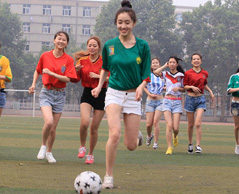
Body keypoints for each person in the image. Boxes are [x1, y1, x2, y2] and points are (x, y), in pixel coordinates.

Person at [91, 0, 151, 189]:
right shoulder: (109, 45)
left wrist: (141, 87)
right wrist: (100, 86)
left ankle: (136, 135)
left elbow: (146, 74)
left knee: (131, 145)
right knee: (114, 134)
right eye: (120, 22)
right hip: (114, 94)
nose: (123, 26)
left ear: (133, 23)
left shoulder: (142, 46)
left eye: (127, 22)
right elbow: (104, 68)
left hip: (134, 96)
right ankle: (108, 176)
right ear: (116, 23)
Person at [29, 31, 77, 163]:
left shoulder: (68, 60)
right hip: (46, 93)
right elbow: (37, 70)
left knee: (53, 128)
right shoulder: (45, 56)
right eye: (59, 39)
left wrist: (51, 73)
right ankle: (43, 146)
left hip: (60, 94)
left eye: (64, 40)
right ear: (54, 40)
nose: (61, 41)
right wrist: (33, 84)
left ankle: (49, 152)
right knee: (49, 122)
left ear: (67, 43)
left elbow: (68, 79)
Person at [71, 36, 109, 164]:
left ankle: (91, 154)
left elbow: (113, 77)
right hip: (87, 93)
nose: (91, 48)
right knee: (85, 122)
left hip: (101, 94)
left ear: (99, 47)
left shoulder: (104, 61)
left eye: (94, 45)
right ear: (87, 47)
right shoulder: (82, 60)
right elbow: (75, 79)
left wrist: (98, 76)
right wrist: (75, 71)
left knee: (94, 128)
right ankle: (82, 146)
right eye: (89, 45)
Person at [183, 53, 214, 154]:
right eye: (194, 59)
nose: (196, 61)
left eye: (198, 59)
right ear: (191, 61)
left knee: (198, 123)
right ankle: (190, 144)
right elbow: (185, 86)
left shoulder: (205, 73)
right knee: (191, 124)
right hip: (190, 99)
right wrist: (192, 87)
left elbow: (204, 84)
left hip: (201, 99)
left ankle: (198, 146)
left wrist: (211, 92)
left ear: (201, 61)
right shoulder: (188, 73)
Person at [154, 56, 185, 155]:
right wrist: (164, 65)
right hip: (167, 100)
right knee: (169, 125)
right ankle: (169, 147)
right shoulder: (165, 74)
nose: (171, 64)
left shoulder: (181, 75)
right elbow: (156, 72)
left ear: (177, 64)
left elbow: (184, 89)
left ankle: (175, 136)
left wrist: (179, 89)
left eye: (173, 62)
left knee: (175, 128)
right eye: (170, 62)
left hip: (177, 101)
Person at [144, 58, 164, 150]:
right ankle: (149, 136)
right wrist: (149, 94)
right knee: (149, 124)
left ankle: (155, 143)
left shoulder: (163, 75)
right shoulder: (148, 74)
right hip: (150, 101)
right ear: (150, 65)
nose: (155, 64)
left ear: (159, 64)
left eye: (157, 63)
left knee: (156, 121)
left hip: (160, 101)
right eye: (153, 63)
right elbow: (143, 86)